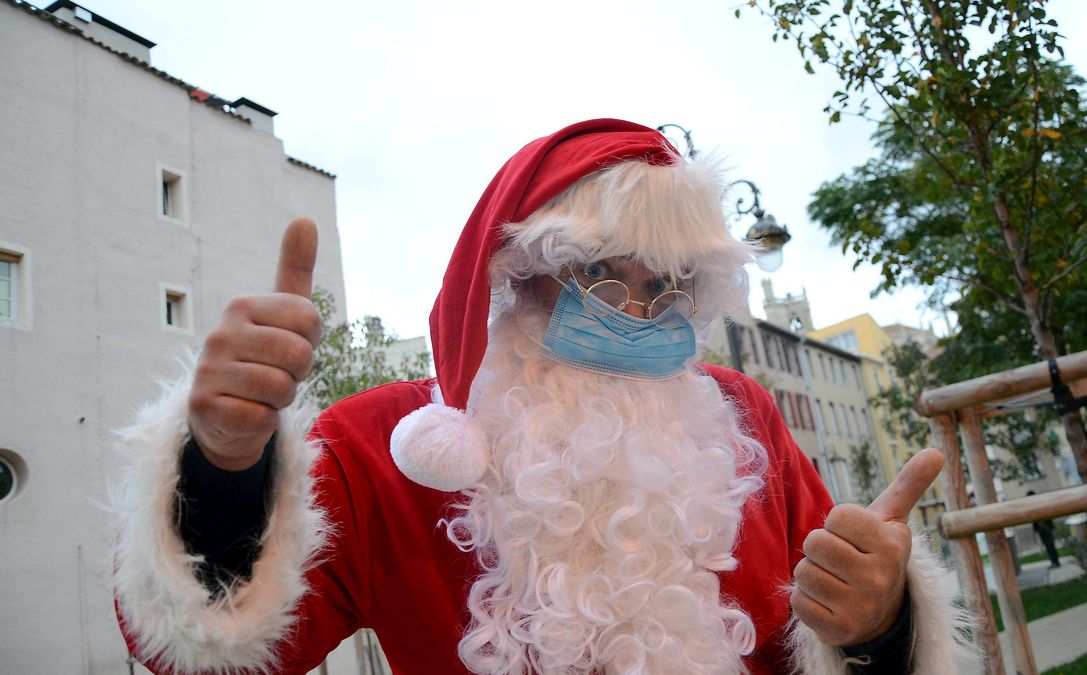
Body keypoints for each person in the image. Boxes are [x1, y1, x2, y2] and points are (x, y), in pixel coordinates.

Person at [111, 119, 971, 674]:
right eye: (600, 274)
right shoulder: (388, 444)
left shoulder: (743, 416)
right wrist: (224, 469)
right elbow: (206, 651)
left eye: (669, 282)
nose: (638, 311)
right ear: (519, 275)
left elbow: (838, 624)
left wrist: (881, 624)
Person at [1027, 490, 1061, 568]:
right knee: (1048, 546)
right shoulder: (1031, 506)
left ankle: (1056, 562)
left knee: (1050, 545)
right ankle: (1054, 562)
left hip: (1046, 528)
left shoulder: (1040, 504)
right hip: (1041, 529)